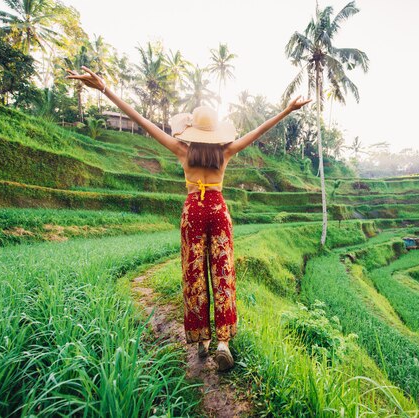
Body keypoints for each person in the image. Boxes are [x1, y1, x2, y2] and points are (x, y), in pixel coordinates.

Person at [66, 66, 311, 371]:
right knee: (223, 272)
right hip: (219, 212)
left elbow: (141, 122)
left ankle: (203, 341)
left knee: (194, 275)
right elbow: (259, 130)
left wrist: (105, 89)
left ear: (193, 129)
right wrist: (287, 109)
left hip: (193, 211)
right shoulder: (225, 153)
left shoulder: (182, 151)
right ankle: (223, 342)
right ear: (216, 132)